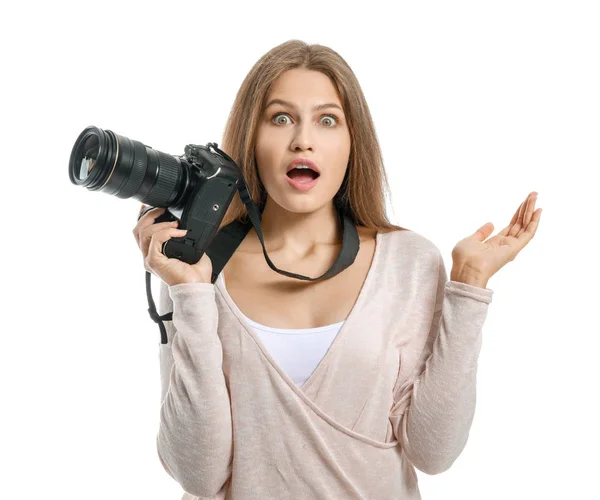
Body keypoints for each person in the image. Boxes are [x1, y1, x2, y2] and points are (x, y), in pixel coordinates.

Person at [132, 40, 542, 500]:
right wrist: (190, 294)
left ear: (352, 143)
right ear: (250, 138)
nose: (302, 139)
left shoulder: (408, 263)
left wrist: (468, 287)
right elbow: (198, 473)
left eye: (327, 120)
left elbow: (434, 452)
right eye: (280, 118)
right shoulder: (199, 268)